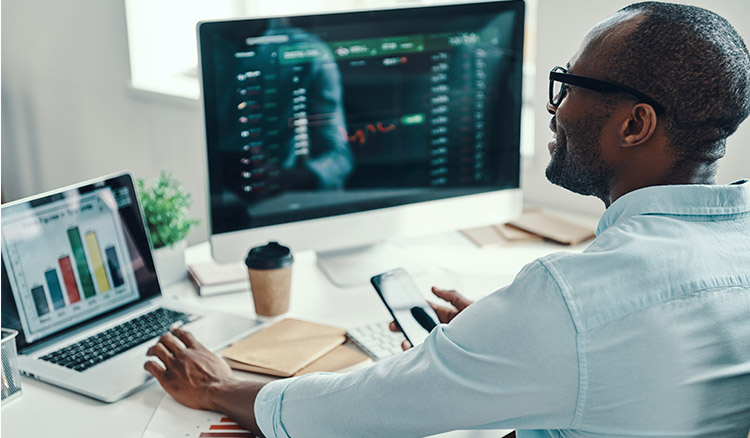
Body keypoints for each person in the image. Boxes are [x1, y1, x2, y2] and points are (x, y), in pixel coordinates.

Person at [144, 3, 750, 437]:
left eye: (567, 86)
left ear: (635, 125)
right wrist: (511, 338)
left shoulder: (571, 303)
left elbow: (366, 410)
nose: (555, 107)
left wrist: (219, 387)